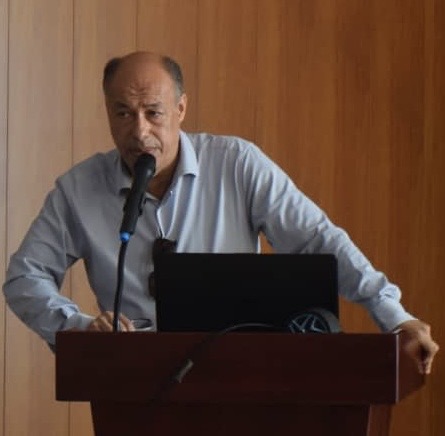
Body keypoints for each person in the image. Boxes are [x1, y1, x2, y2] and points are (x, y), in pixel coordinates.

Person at [3, 51, 438, 373]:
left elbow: (317, 239)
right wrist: (78, 328)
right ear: (107, 114)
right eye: (123, 114)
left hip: (238, 370)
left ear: (181, 109)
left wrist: (393, 314)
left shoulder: (237, 164)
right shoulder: (78, 189)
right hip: (132, 379)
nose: (139, 131)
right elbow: (25, 277)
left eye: (153, 113)